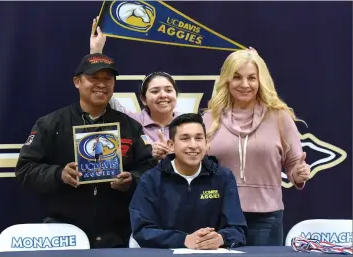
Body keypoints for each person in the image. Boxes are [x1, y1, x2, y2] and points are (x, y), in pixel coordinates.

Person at [15, 52, 157, 248]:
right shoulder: (51, 124)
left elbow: (150, 170)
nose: (101, 84)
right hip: (62, 232)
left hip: (117, 233)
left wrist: (131, 179)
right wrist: (59, 175)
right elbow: (25, 169)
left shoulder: (130, 126)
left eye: (107, 79)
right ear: (77, 82)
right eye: (93, 78)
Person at [202, 49, 311, 246]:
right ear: (226, 80)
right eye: (237, 77)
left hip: (266, 216)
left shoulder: (279, 117)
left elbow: (294, 163)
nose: (245, 84)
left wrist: (298, 174)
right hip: (219, 215)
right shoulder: (210, 118)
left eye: (251, 78)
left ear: (261, 80)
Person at [129, 113, 247, 249]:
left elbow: (238, 229)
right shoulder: (150, 180)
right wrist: (184, 240)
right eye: (185, 139)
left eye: (198, 138)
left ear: (207, 142)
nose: (193, 145)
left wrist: (221, 238)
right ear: (171, 145)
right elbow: (142, 230)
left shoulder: (223, 177)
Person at [90, 17, 180, 159]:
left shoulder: (189, 122)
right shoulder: (131, 121)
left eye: (169, 90)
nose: (163, 95)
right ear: (143, 99)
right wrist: (96, 51)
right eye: (155, 91)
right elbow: (104, 96)